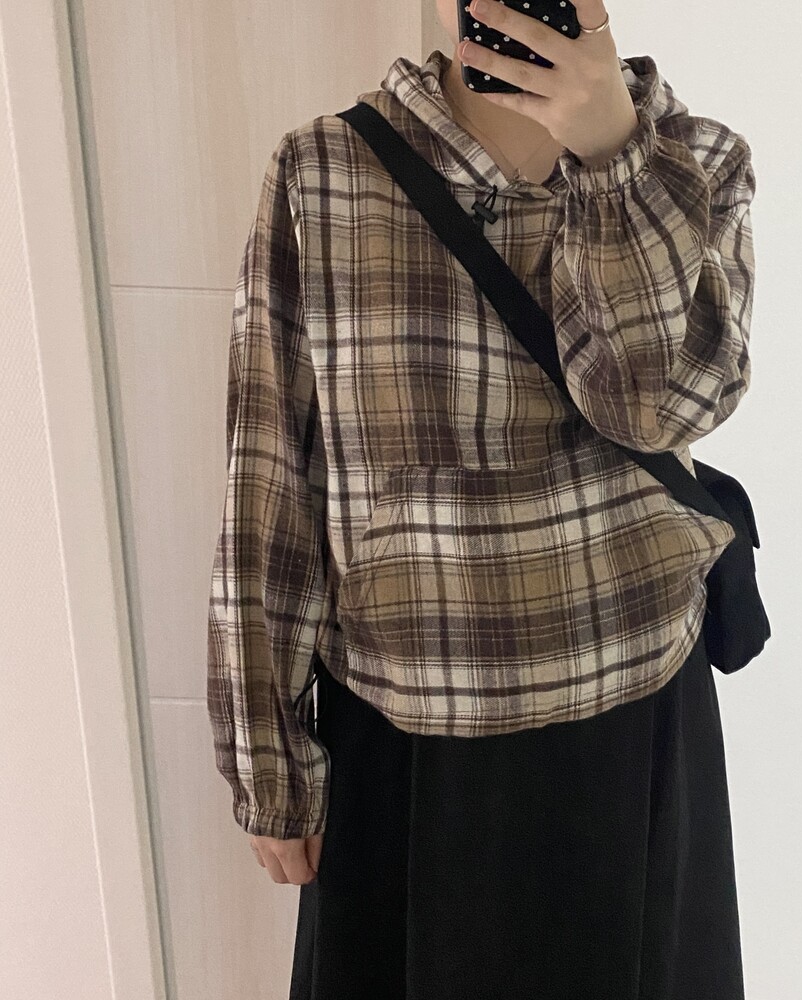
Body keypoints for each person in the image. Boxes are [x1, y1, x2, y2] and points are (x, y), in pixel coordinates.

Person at [206, 1, 757, 997]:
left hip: (632, 713)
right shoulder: (324, 170)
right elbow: (272, 474)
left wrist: (614, 165)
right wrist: (267, 757)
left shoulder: (695, 162)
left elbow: (657, 407)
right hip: (409, 734)